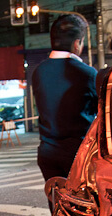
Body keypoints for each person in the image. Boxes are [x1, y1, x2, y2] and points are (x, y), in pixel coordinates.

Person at [32, 13, 98, 186]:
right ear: (77, 43)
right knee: (83, 207)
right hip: (77, 155)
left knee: (57, 206)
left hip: (47, 153)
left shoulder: (39, 72)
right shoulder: (87, 74)